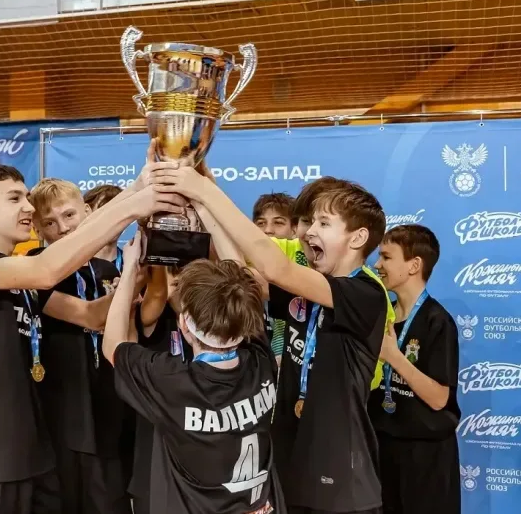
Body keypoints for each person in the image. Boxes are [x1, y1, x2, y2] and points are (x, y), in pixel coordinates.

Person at [0, 164, 183, 514]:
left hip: (35, 451)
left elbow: (91, 315)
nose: (28, 207)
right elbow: (45, 270)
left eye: (26, 198)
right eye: (15, 198)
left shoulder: (21, 282)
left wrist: (139, 190)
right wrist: (132, 206)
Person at [151, 166, 388, 514]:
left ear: (357, 238)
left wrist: (205, 191)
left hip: (342, 477)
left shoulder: (365, 293)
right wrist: (204, 206)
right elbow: (242, 274)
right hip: (290, 460)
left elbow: (277, 268)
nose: (309, 232)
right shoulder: (307, 292)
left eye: (324, 223)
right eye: (310, 222)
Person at [103, 233, 284, 514]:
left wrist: (128, 271)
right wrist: (206, 209)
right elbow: (241, 284)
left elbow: (112, 346)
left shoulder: (171, 381)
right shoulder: (260, 359)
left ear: (184, 325)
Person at [28, 178, 131, 514]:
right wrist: (135, 279)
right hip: (65, 402)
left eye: (69, 215)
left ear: (88, 213)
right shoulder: (34, 267)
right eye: (49, 223)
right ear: (38, 229)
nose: (63, 228)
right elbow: (91, 317)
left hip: (108, 397)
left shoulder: (105, 269)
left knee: (111, 496)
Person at [371, 224, 460, 514]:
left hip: (425, 456)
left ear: (414, 265)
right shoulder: (380, 315)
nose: (377, 265)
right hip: (382, 447)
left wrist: (394, 357)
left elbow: (439, 398)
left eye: (386, 257)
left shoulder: (438, 321)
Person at [84, 184, 125, 269]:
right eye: (105, 212)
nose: (113, 219)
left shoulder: (134, 265)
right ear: (87, 214)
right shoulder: (71, 267)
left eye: (119, 212)